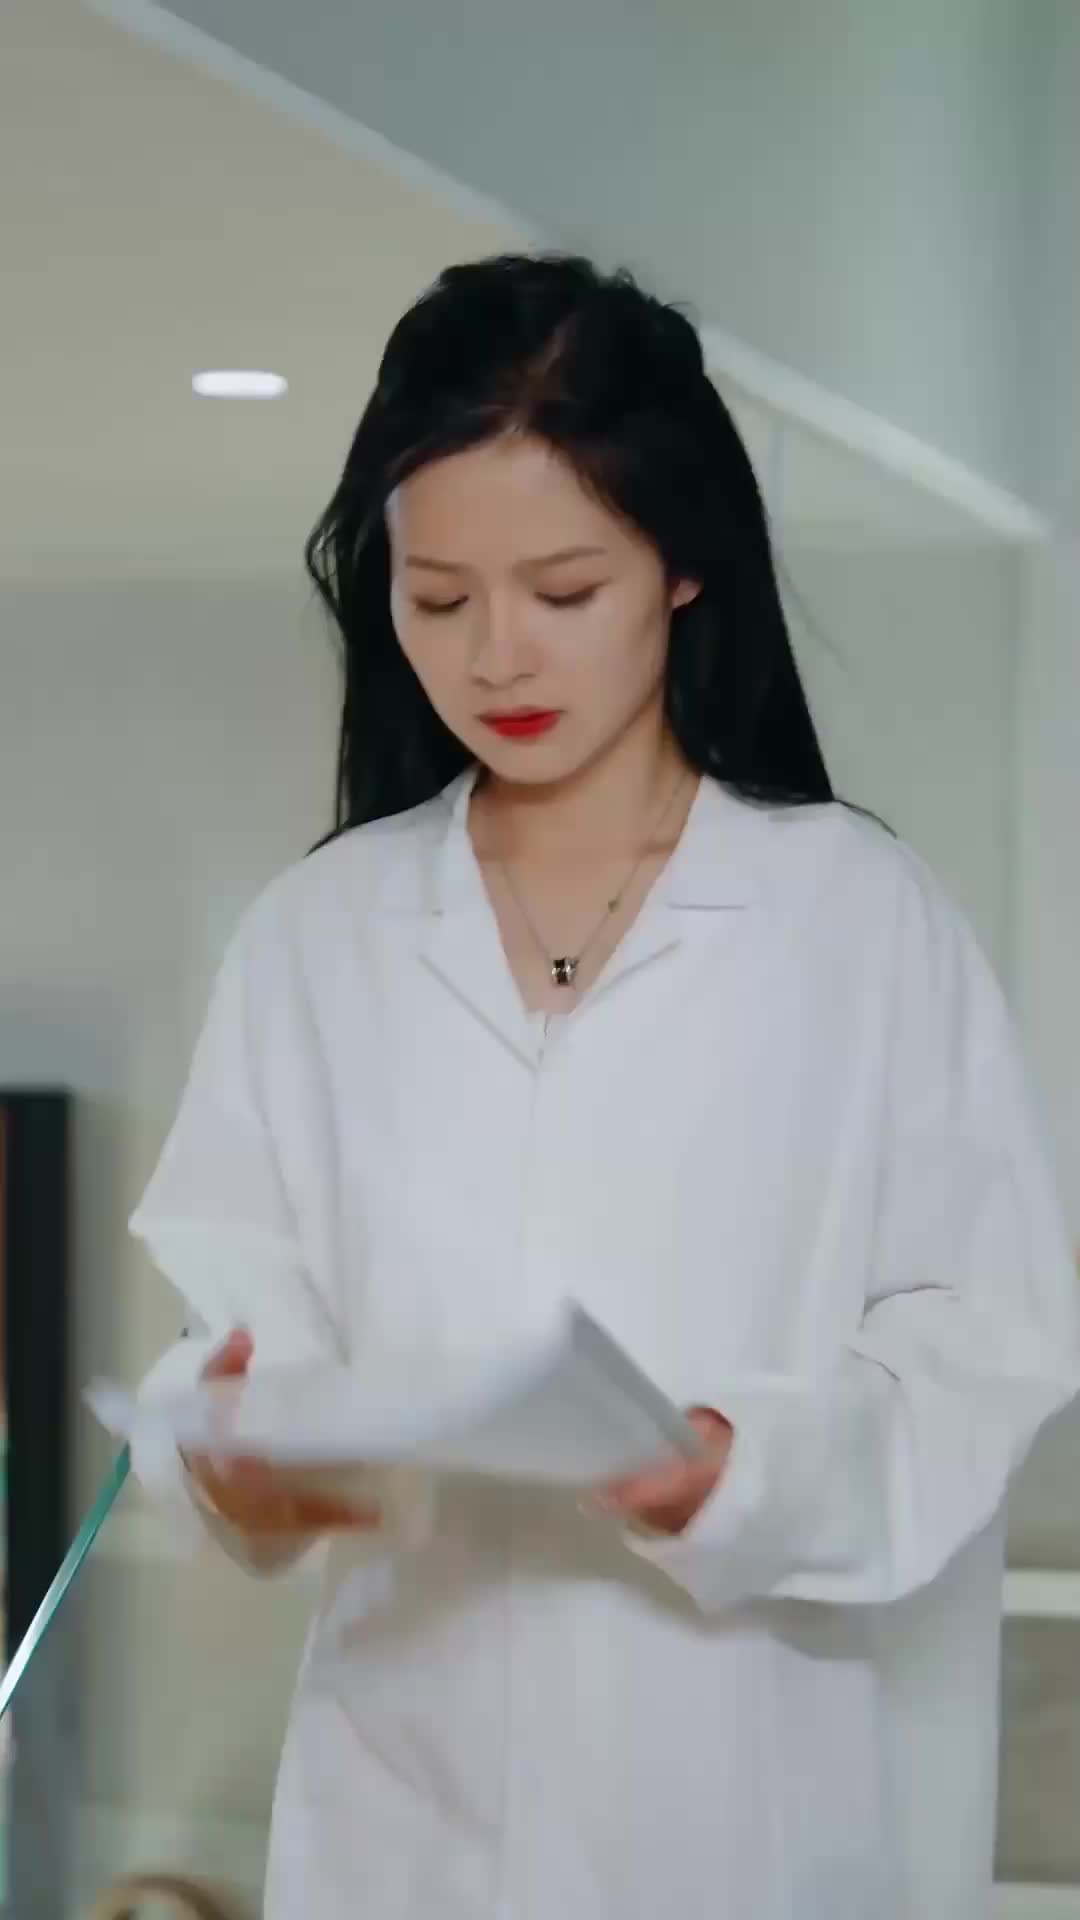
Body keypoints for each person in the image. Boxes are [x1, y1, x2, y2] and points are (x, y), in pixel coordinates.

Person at [131, 253, 1079, 1920]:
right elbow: (240, 1331)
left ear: (684, 567)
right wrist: (231, 1458)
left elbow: (978, 1342)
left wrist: (745, 1468)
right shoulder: (317, 937)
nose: (498, 656)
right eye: (438, 600)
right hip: (402, 1818)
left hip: (744, 1813)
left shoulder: (855, 922)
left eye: (564, 590)